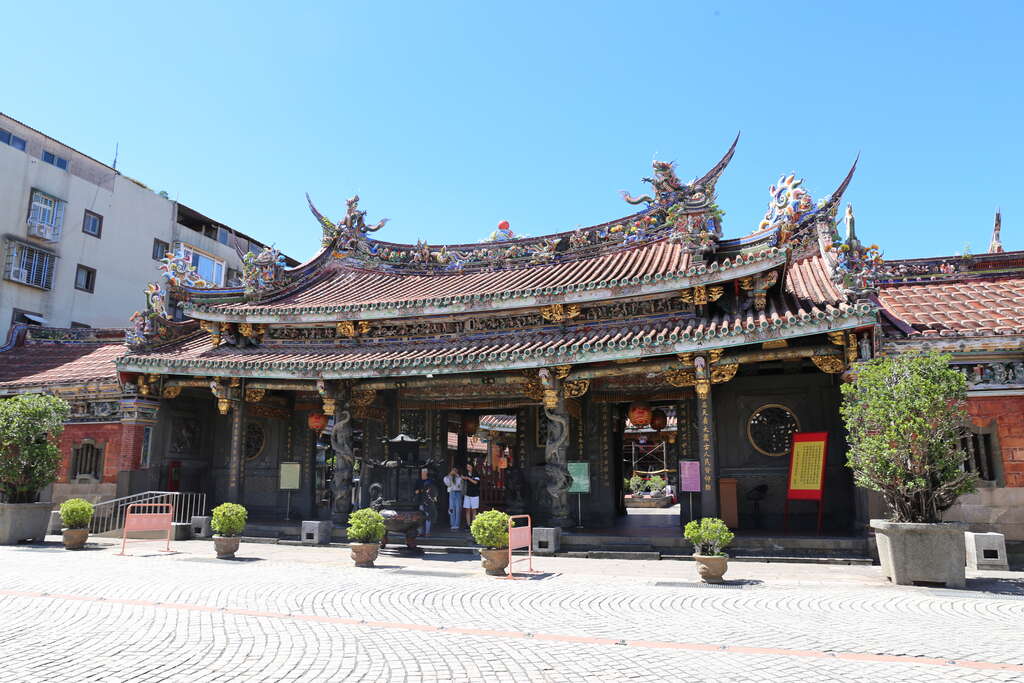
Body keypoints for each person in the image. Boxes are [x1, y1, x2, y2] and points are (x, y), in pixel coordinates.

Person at [414, 468, 436, 537]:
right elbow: (415, 491)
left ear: (426, 473)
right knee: (420, 517)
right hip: (420, 501)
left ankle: (427, 532)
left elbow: (432, 491)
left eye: (424, 473)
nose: (422, 474)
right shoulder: (418, 481)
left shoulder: (430, 481)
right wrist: (421, 490)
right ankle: (420, 532)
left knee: (428, 517)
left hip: (428, 502)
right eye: (422, 473)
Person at [463, 462, 481, 527]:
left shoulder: (476, 474)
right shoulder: (465, 473)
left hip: (475, 494)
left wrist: (468, 478)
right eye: (467, 467)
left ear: (472, 467)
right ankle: (468, 525)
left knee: (474, 510)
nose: (468, 468)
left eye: (469, 467)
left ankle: (473, 525)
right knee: (467, 509)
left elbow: (475, 482)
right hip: (467, 494)